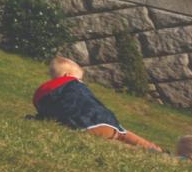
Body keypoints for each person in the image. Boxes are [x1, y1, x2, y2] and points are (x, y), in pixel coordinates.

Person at [35, 57, 184, 155]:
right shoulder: (73, 85)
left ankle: (153, 152)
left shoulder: (45, 95)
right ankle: (157, 152)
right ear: (68, 75)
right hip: (97, 121)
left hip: (74, 126)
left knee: (116, 139)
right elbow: (92, 106)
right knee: (122, 134)